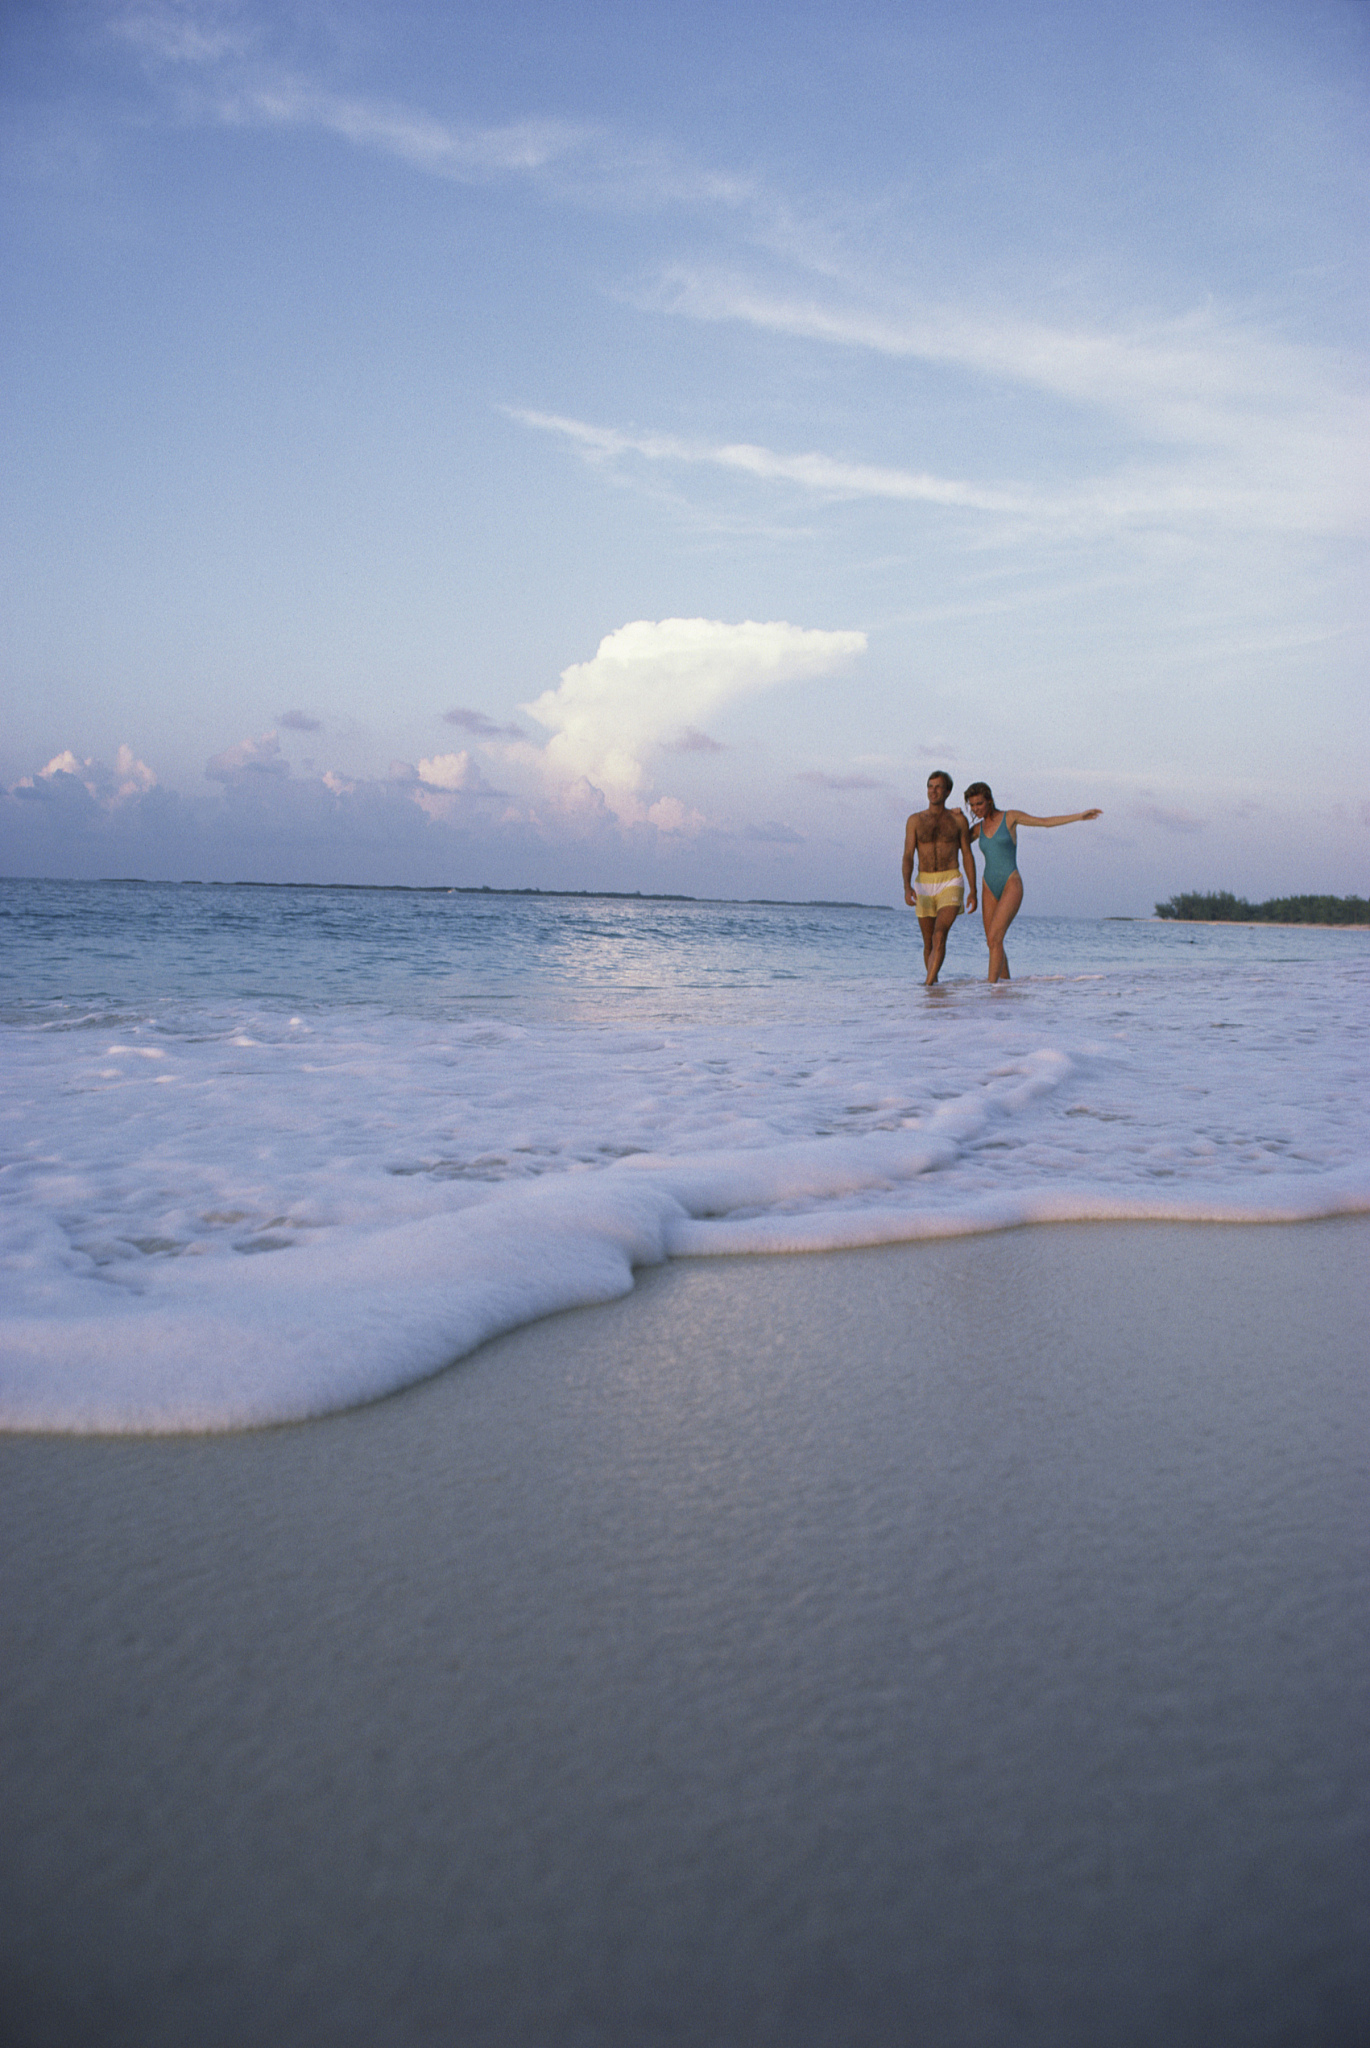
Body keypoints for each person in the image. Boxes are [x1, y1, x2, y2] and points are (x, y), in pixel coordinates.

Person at [963, 782, 1102, 982]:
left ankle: (990, 990)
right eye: (972, 805)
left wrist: (1079, 816)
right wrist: (955, 815)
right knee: (993, 942)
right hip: (988, 885)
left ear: (990, 800)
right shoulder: (977, 829)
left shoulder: (1010, 817)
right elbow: (953, 841)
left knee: (994, 938)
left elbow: (1044, 822)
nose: (976, 809)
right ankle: (1004, 989)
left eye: (979, 803)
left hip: (1011, 882)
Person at [902, 772, 977, 986]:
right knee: (928, 943)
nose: (933, 791)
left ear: (947, 791)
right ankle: (933, 987)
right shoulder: (915, 820)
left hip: (951, 880)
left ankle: (927, 985)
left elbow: (967, 854)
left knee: (939, 934)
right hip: (924, 882)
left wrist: (973, 890)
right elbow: (908, 855)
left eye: (938, 787)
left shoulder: (957, 819)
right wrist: (907, 886)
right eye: (930, 786)